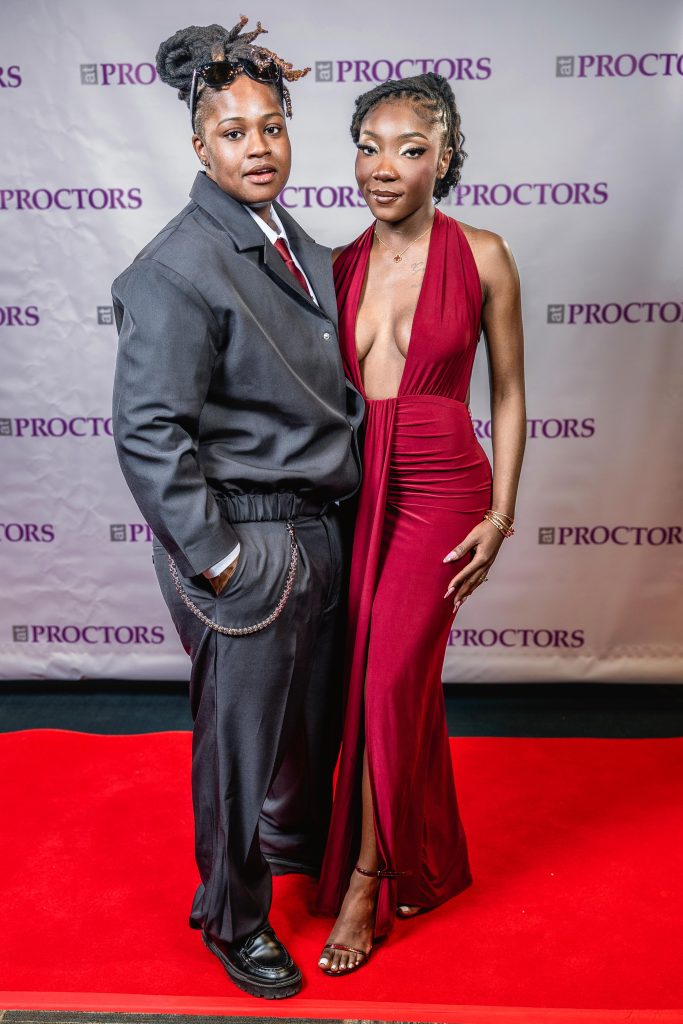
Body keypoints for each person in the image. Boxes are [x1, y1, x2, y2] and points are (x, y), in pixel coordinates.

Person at [111, 17, 362, 1000]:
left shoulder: (289, 240)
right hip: (248, 539)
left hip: (317, 526)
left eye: (271, 127)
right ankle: (232, 916)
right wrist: (217, 559)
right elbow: (148, 431)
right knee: (239, 747)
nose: (257, 147)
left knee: (310, 727)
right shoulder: (175, 267)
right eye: (232, 132)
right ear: (198, 145)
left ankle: (292, 847)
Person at [315, 72, 526, 974]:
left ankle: (369, 877)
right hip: (352, 487)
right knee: (366, 681)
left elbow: (508, 394)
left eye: (408, 150)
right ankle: (425, 849)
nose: (382, 167)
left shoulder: (483, 255)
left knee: (391, 677)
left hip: (440, 488)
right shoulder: (333, 265)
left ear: (444, 158)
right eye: (368, 147)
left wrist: (500, 515)